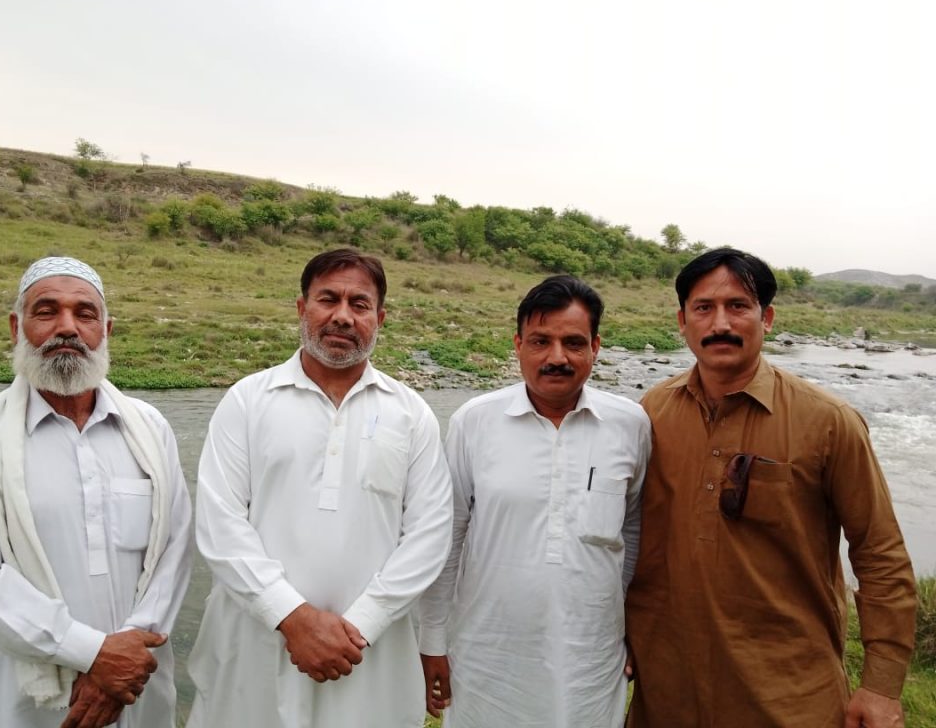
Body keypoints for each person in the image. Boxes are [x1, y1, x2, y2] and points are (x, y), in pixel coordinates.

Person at [625, 248, 917, 728]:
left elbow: (879, 552)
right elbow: (630, 535)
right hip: (667, 688)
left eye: (738, 306)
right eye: (704, 308)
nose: (720, 322)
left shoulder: (827, 422)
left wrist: (881, 686)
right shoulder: (650, 413)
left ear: (768, 317)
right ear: (682, 321)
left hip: (787, 692)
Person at [186, 248, 453, 728]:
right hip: (257, 641)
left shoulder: (411, 413)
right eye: (328, 299)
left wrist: (362, 626)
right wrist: (290, 616)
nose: (343, 317)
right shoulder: (248, 400)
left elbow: (430, 535)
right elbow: (220, 524)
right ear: (301, 308)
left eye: (359, 304)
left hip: (368, 651)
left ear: (380, 317)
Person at [0, 256, 193, 728]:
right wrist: (92, 654)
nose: (67, 327)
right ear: (17, 327)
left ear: (106, 329)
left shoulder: (150, 429)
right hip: (14, 697)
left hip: (134, 683)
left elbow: (173, 554)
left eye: (85, 313)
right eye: (47, 311)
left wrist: (124, 658)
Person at [419, 275, 650, 727]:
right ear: (518, 344)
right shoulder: (475, 422)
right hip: (488, 649)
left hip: (592, 653)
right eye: (541, 341)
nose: (557, 358)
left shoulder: (630, 424)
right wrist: (432, 637)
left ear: (596, 346)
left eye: (573, 343)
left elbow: (634, 531)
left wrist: (629, 627)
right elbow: (448, 535)